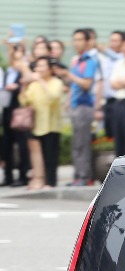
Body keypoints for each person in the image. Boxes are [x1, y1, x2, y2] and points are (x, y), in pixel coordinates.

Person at [54, 29, 99, 186]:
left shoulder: (90, 61)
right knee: (76, 143)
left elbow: (86, 84)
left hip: (84, 106)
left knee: (82, 143)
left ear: (87, 42)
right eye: (74, 40)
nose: (76, 43)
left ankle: (84, 177)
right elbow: (73, 84)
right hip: (75, 106)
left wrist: (69, 74)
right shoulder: (78, 60)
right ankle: (78, 176)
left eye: (79, 40)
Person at [18, 56, 64, 189]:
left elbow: (53, 97)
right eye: (37, 66)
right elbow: (24, 101)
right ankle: (40, 179)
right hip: (36, 124)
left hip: (51, 124)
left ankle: (51, 182)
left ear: (50, 69)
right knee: (39, 155)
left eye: (42, 66)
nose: (39, 69)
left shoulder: (56, 82)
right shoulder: (34, 84)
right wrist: (24, 86)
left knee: (50, 155)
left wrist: (41, 82)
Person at [1, 45, 29, 187]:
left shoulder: (25, 69)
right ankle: (8, 176)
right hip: (7, 109)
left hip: (20, 110)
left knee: (22, 144)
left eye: (17, 52)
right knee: (6, 144)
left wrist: (16, 87)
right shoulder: (8, 70)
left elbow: (28, 84)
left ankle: (23, 176)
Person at [97, 31, 124, 138]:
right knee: (107, 132)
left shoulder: (123, 58)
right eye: (111, 40)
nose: (112, 43)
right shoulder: (106, 59)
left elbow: (118, 58)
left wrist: (105, 50)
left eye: (116, 40)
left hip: (119, 100)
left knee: (118, 132)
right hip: (107, 101)